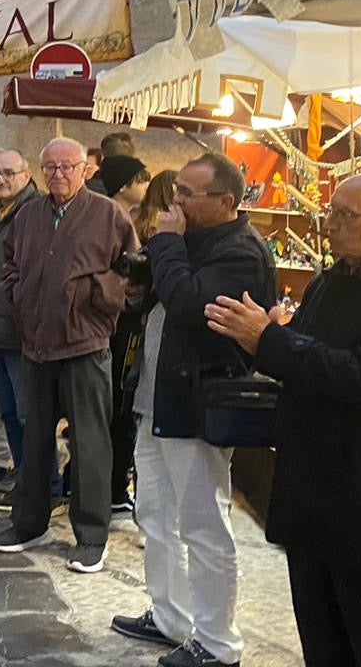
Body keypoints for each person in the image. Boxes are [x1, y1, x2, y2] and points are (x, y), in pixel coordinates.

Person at [207, 172, 361, 667]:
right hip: (310, 489)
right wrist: (268, 336)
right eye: (331, 211)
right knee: (321, 640)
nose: (328, 224)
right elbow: (304, 353)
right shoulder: (331, 279)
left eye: (343, 215)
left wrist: (272, 341)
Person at [113, 154, 275, 667]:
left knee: (203, 524)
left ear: (226, 201)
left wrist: (165, 244)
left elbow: (189, 304)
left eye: (187, 193)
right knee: (155, 513)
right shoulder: (193, 242)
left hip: (196, 403)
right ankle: (171, 617)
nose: (175, 201)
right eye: (176, 189)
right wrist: (139, 290)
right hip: (158, 398)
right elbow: (163, 302)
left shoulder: (241, 252)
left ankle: (218, 643)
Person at [0, 137, 136, 574]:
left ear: (85, 170)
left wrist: (92, 297)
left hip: (85, 345)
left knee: (89, 442)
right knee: (35, 437)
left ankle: (91, 536)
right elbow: (10, 264)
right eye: (50, 167)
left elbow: (133, 274)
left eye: (67, 166)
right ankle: (29, 522)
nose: (58, 174)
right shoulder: (29, 214)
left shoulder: (109, 214)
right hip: (36, 343)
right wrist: (18, 295)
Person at [0, 149, 56, 509]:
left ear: (27, 176)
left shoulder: (35, 212)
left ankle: (46, 487)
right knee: (8, 414)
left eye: (9, 173)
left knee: (29, 416)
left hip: (21, 334)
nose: (1, 179)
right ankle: (25, 479)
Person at [99, 153, 152, 514]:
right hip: (118, 324)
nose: (145, 185)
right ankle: (112, 485)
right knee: (117, 405)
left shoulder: (120, 216)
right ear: (124, 184)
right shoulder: (114, 220)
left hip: (115, 322)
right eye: (141, 178)